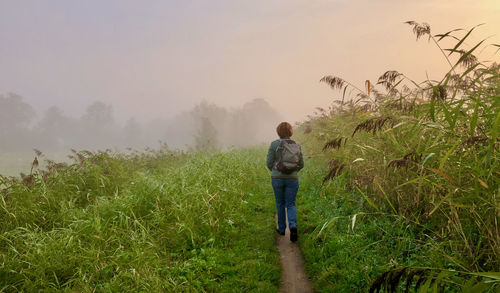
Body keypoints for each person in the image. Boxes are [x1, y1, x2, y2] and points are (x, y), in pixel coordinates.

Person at [266, 122, 304, 242]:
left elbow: (269, 162)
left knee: (280, 203)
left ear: (278, 132)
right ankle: (293, 226)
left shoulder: (274, 144)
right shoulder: (297, 145)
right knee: (291, 203)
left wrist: (276, 170)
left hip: (277, 178)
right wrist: (292, 171)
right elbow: (301, 164)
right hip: (292, 179)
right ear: (290, 132)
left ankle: (282, 229)